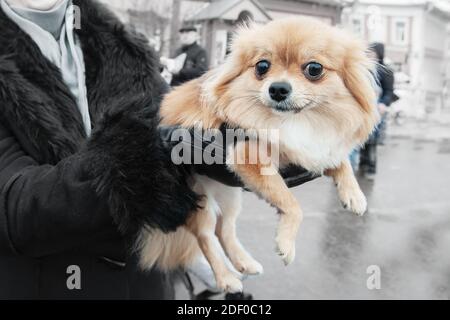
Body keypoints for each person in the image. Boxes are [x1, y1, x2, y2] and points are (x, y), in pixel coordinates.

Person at [0, 0, 316, 299]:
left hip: (145, 283)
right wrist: (149, 154)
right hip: (47, 285)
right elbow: (19, 207)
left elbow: (182, 123)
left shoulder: (119, 44)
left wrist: (284, 136)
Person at [357, 42, 395, 179]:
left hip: (377, 109)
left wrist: (384, 104)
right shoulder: (362, 68)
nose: (369, 55)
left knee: (372, 140)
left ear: (379, 54)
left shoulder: (385, 71)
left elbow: (389, 92)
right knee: (360, 137)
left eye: (371, 53)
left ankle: (371, 168)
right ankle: (362, 163)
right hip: (362, 108)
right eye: (367, 53)